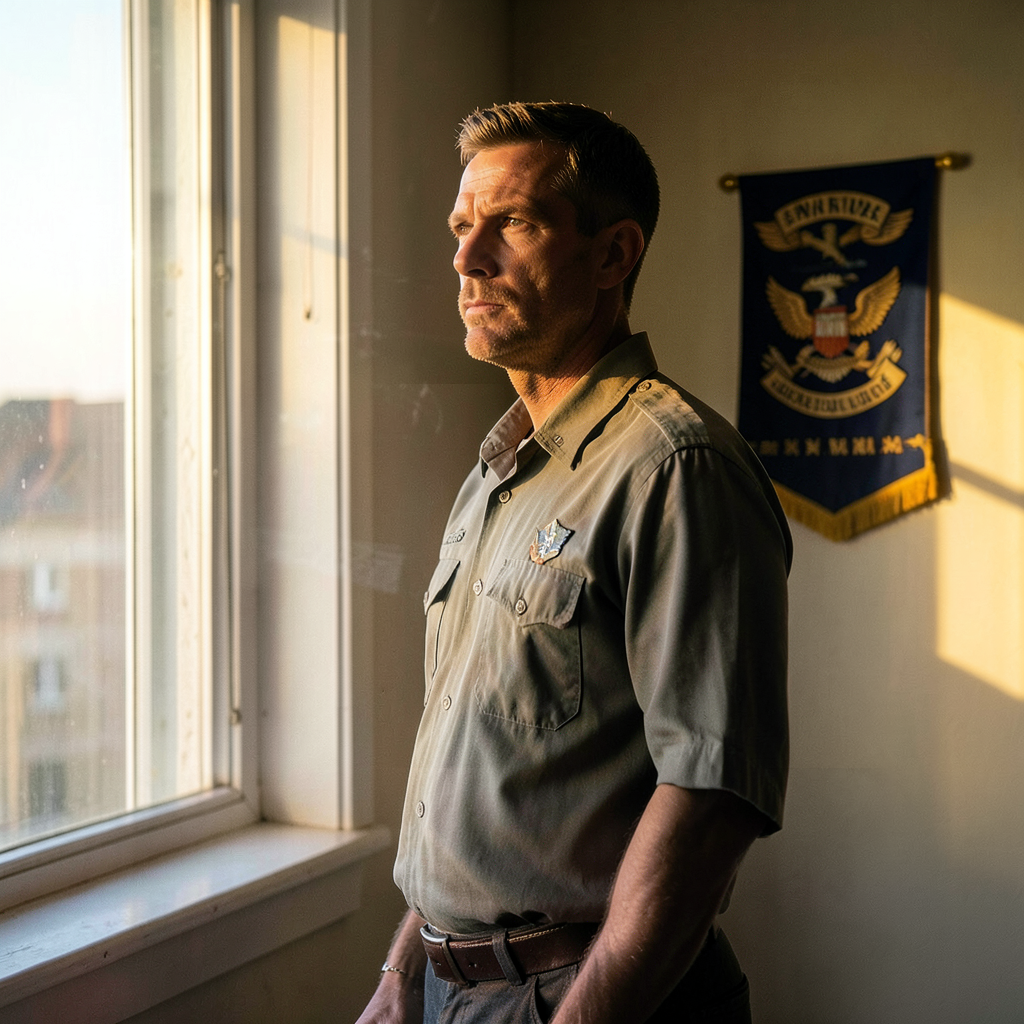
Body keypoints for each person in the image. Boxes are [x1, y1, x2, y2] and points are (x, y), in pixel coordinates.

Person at [357, 101, 792, 1024]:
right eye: (461, 227)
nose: (468, 260)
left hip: (588, 996)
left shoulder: (674, 465)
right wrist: (404, 977)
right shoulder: (499, 474)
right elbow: (478, 779)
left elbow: (710, 795)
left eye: (512, 223)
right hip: (443, 993)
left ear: (612, 255)